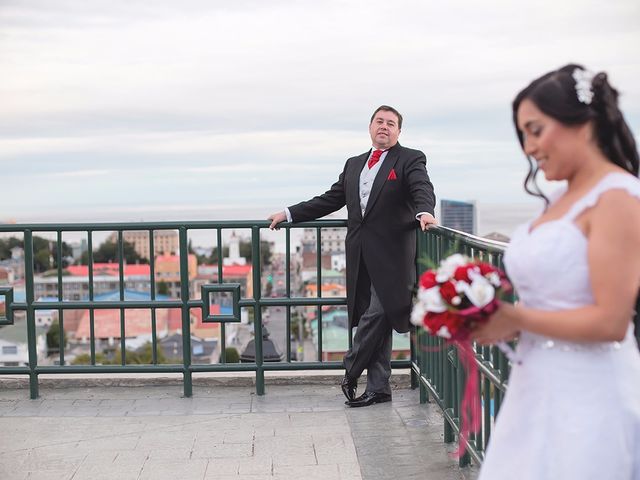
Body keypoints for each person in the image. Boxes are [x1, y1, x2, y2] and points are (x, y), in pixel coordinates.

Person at [472, 64, 640, 479]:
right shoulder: (563, 198)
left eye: (536, 129)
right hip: (536, 385)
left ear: (582, 124)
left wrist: (516, 318)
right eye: (523, 135)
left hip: (591, 392)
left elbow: (611, 321)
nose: (529, 147)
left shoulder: (618, 197)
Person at [268, 105, 437, 407]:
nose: (384, 126)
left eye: (391, 123)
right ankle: (379, 388)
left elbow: (421, 188)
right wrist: (289, 213)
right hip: (360, 254)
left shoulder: (410, 158)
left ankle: (350, 369)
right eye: (379, 121)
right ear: (370, 127)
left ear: (399, 131)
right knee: (376, 320)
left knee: (377, 314)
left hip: (394, 257)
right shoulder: (354, 163)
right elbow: (330, 199)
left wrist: (425, 212)